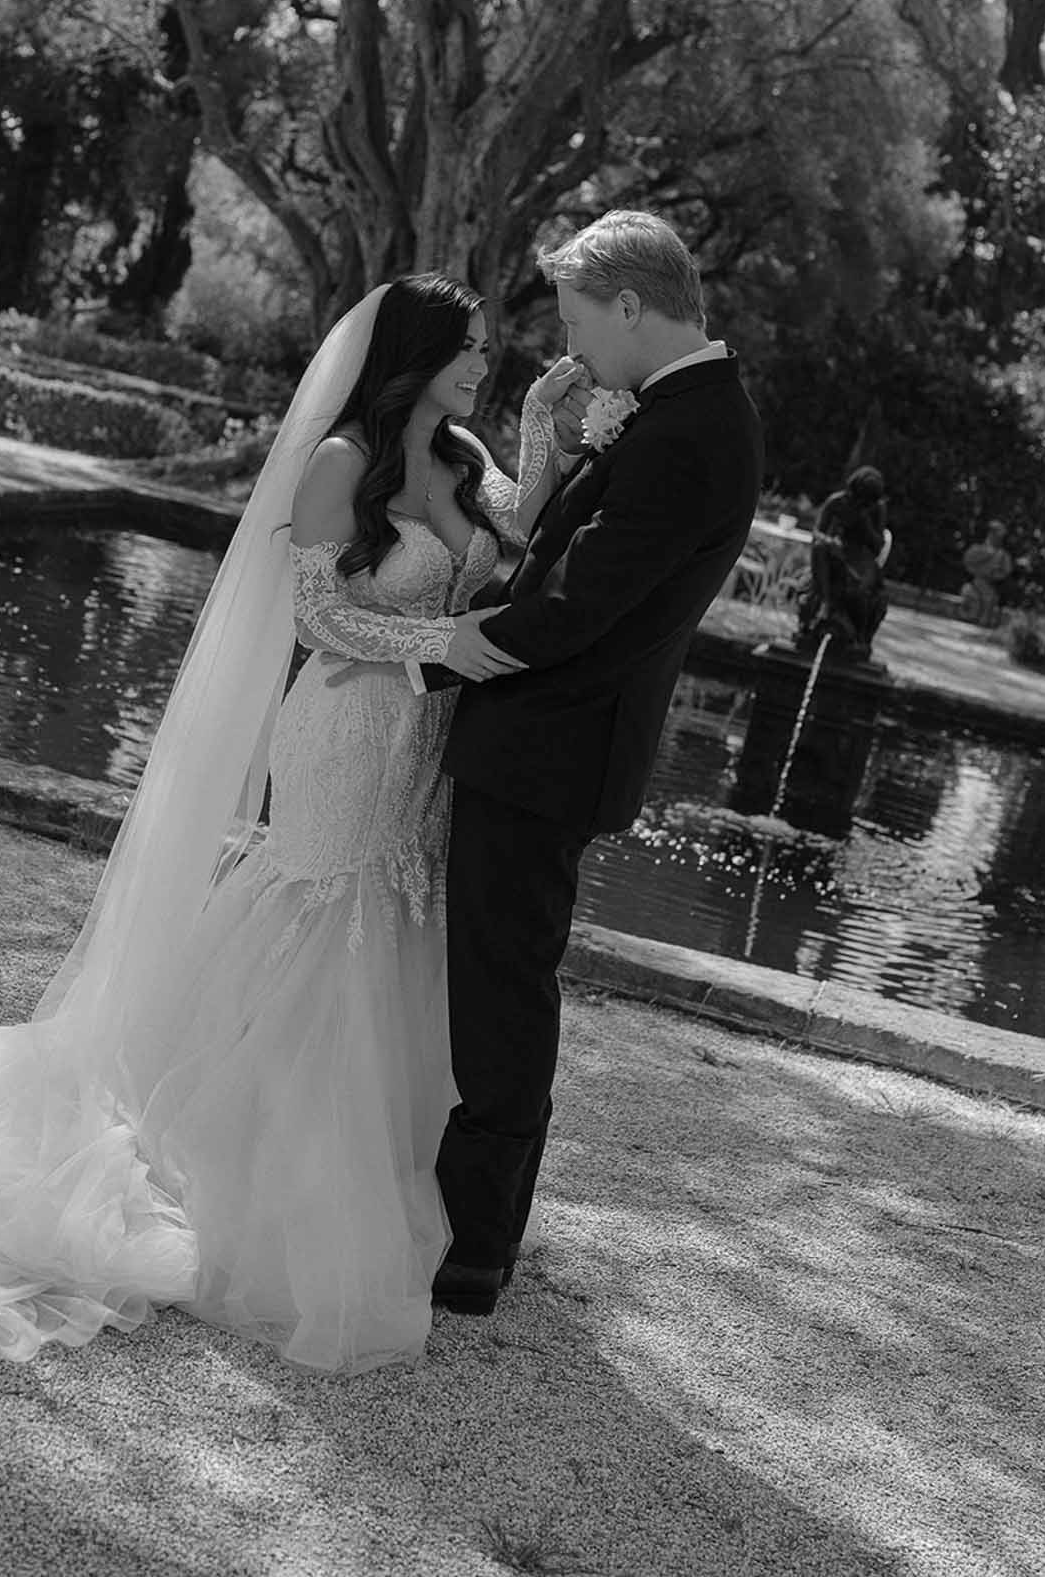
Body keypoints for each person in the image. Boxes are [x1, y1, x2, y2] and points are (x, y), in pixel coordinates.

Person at [0, 273, 573, 1425]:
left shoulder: (459, 455)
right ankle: (237, 1149)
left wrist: (546, 432)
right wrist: (436, 639)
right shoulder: (340, 462)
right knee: (314, 906)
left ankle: (363, 1152)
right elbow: (315, 619)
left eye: (489, 347)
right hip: (349, 725)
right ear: (415, 348)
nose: (484, 360)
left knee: (391, 913)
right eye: (467, 345)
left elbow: (521, 521)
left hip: (424, 741)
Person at [418, 210, 765, 1315]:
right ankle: (476, 1221)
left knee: (501, 983)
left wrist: (441, 651)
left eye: (576, 320)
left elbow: (581, 599)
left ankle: (471, 1247)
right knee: (496, 973)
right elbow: (572, 554)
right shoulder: (677, 413)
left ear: (629, 305)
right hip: (553, 737)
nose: (570, 348)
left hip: (548, 742)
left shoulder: (688, 430)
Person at [794, 466, 890, 660]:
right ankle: (825, 602)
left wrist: (866, 525)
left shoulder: (876, 509)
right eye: (859, 499)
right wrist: (830, 541)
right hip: (837, 552)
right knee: (820, 549)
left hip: (862, 560)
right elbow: (817, 532)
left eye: (866, 502)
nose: (862, 504)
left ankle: (859, 638)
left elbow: (878, 545)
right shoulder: (837, 502)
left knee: (860, 592)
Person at [961, 520, 1013, 626]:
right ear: (990, 533)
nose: (999, 538)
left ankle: (982, 623)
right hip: (975, 583)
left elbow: (1005, 572)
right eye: (997, 534)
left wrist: (994, 575)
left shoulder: (1003, 555)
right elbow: (968, 564)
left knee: (990, 599)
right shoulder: (976, 549)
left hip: (991, 585)